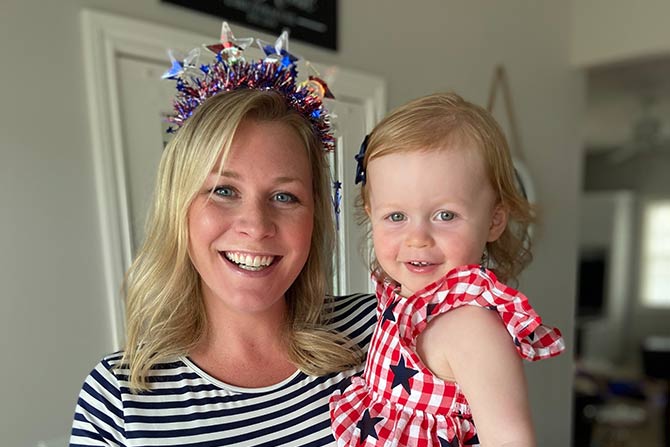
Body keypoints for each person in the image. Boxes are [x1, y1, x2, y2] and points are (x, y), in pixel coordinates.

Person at [69, 24, 377, 446]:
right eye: (224, 191)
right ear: (179, 208)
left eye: (285, 196)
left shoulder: (382, 330)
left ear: (315, 218)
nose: (256, 225)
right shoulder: (120, 400)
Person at [330, 92, 565, 446]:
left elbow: (510, 439)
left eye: (445, 215)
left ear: (494, 220)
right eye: (396, 216)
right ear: (370, 213)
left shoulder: (471, 327)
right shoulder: (401, 304)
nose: (417, 238)